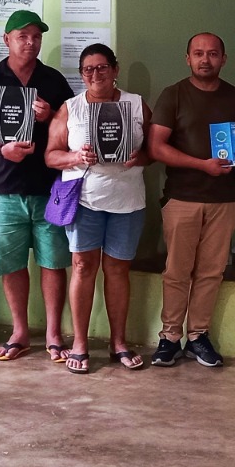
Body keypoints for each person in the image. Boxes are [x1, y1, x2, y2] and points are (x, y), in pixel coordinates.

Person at [147, 33, 235, 368]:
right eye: (198, 53)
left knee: (212, 271)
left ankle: (198, 336)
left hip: (224, 199)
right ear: (187, 58)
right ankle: (170, 337)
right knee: (177, 270)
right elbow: (156, 147)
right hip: (182, 197)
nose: (205, 59)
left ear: (223, 59)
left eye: (212, 54)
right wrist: (202, 165)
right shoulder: (174, 95)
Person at [0, 11, 75, 362]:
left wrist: (51, 116)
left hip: (49, 189)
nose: (30, 42)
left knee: (53, 262)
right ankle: (20, 332)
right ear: (7, 40)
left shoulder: (53, 80)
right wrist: (0, 149)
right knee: (11, 264)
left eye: (36, 37)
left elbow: (76, 128)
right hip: (3, 188)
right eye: (22, 36)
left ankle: (54, 334)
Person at [44, 44, 153, 374]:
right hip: (85, 200)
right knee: (82, 267)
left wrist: (139, 157)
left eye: (102, 67)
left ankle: (118, 342)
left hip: (127, 201)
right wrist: (76, 157)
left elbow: (154, 150)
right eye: (88, 69)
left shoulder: (136, 105)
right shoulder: (70, 108)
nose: (96, 74)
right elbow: (51, 155)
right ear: (81, 75)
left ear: (115, 70)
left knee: (118, 270)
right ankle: (80, 343)